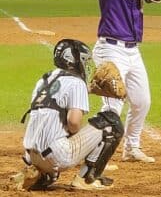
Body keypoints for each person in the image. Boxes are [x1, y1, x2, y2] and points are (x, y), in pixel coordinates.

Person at [92, 0, 161, 163]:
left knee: (142, 101)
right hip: (110, 48)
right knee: (112, 106)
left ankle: (131, 148)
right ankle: (94, 154)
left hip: (132, 50)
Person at [18, 39, 124, 191]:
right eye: (83, 60)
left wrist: (88, 89)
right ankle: (86, 179)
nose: (85, 65)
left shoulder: (44, 80)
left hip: (31, 156)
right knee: (111, 123)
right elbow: (73, 122)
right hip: (57, 156)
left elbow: (55, 102)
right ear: (73, 59)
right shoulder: (76, 83)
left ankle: (42, 174)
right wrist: (73, 135)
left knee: (54, 126)